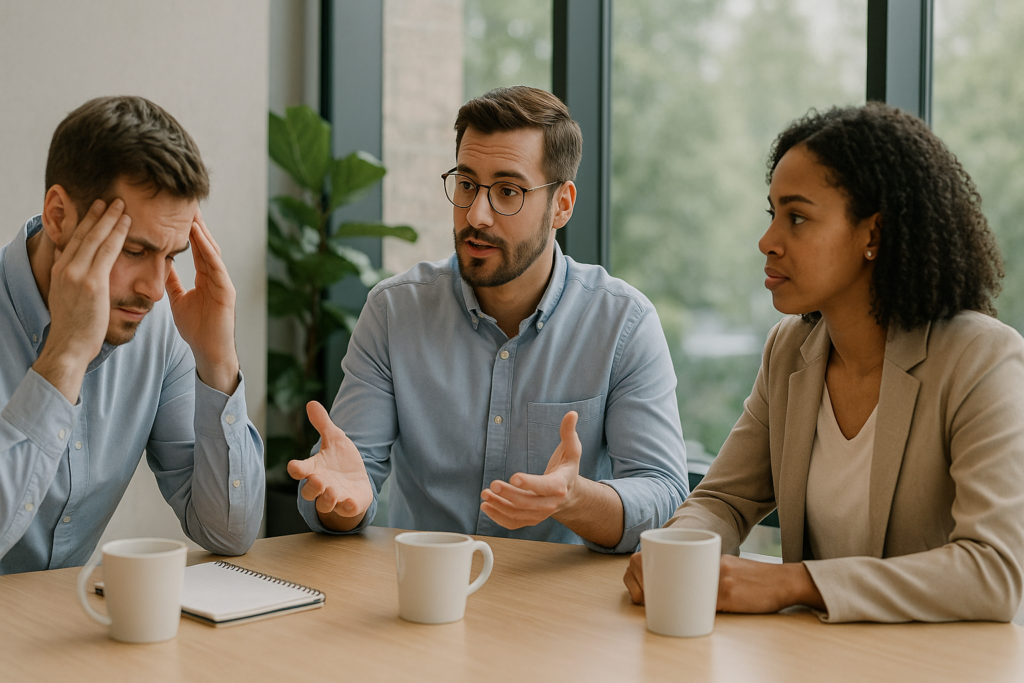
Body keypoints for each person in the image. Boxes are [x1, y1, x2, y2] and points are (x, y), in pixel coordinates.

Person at [623, 102, 1024, 622]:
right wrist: (675, 551)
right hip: (814, 662)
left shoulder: (980, 358)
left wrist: (794, 583)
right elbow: (723, 500)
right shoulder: (789, 349)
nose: (768, 242)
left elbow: (992, 571)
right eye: (772, 215)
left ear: (872, 235)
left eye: (797, 217)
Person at [287, 86, 688, 553]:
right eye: (467, 184)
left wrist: (574, 498)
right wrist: (343, 505)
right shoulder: (394, 312)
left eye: (507, 192)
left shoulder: (623, 323)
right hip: (425, 595)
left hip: (558, 606)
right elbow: (345, 482)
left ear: (562, 204)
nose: (477, 215)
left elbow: (663, 494)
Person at [0, 96, 265, 574]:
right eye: (134, 250)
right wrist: (64, 357)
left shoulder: (158, 328)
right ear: (59, 216)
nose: (153, 291)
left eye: (170, 256)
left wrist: (217, 360)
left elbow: (227, 532)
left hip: (65, 631)